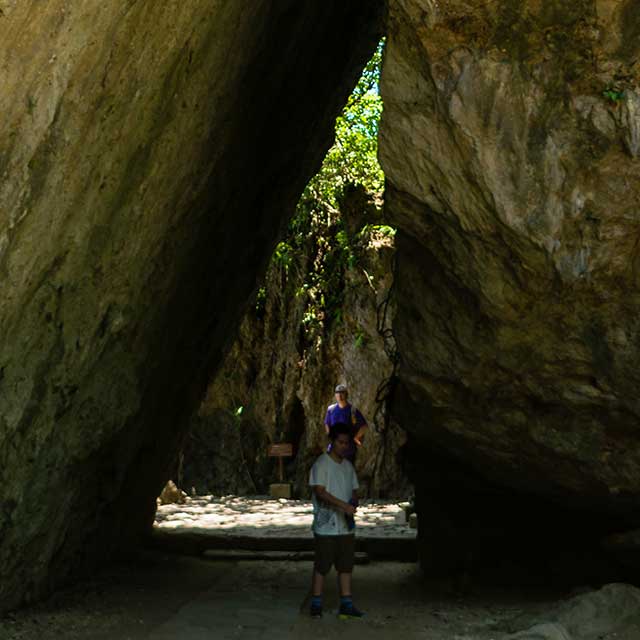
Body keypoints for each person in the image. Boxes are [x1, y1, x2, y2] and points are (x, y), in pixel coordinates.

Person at [308, 422, 363, 619]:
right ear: (332, 441)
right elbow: (320, 492)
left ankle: (346, 603)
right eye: (340, 442)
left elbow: (355, 490)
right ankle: (316, 603)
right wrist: (343, 506)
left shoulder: (348, 467)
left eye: (346, 443)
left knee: (346, 565)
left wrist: (354, 502)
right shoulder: (321, 464)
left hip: (345, 526)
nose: (344, 446)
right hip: (326, 526)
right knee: (322, 566)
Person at [324, 384, 368, 463]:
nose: (340, 395)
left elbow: (364, 426)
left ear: (346, 394)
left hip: (348, 449)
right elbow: (327, 423)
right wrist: (330, 436)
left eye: (342, 393)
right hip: (333, 449)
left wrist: (356, 437)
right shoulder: (331, 409)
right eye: (337, 393)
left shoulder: (353, 411)